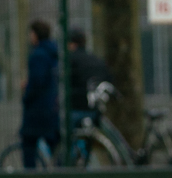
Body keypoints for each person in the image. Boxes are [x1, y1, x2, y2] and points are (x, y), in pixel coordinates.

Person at [21, 19, 60, 169]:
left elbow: (37, 82)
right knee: (54, 145)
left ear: (36, 35)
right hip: (52, 107)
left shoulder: (38, 55)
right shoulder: (54, 53)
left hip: (36, 110)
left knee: (28, 144)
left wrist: (26, 96)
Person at [68, 27, 111, 127]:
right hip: (95, 111)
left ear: (72, 44)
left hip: (76, 108)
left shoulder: (70, 60)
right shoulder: (97, 60)